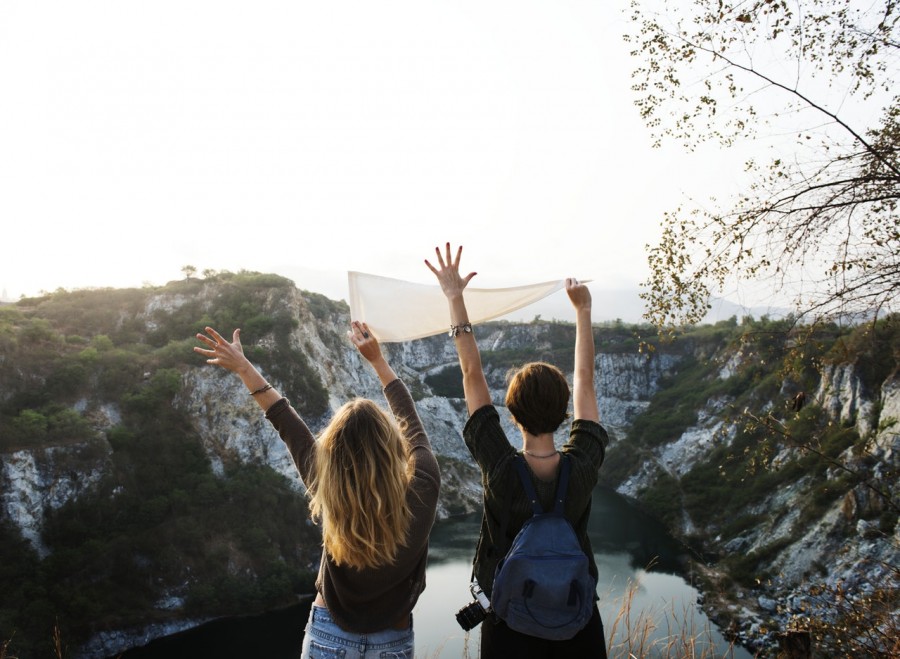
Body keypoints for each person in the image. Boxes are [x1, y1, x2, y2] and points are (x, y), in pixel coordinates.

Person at [194, 321, 440, 659]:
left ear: (332, 452)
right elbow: (411, 422)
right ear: (391, 446)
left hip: (329, 634)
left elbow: (283, 418)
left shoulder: (326, 484)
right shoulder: (424, 486)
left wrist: (243, 367)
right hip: (392, 640)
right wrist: (378, 361)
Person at [425, 243, 609, 658]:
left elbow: (471, 374)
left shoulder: (501, 468)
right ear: (565, 413)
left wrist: (455, 299)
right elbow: (586, 381)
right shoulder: (581, 467)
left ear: (512, 412)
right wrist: (582, 311)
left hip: (509, 625)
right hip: (577, 621)